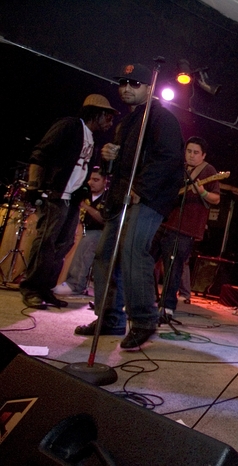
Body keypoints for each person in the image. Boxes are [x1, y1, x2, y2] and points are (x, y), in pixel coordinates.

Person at [74, 63, 184, 350]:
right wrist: (108, 155)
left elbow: (169, 159)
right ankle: (109, 318)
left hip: (147, 198)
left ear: (150, 87)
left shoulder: (162, 119)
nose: (126, 88)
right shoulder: (125, 124)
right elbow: (117, 167)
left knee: (134, 251)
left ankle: (145, 319)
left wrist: (141, 189)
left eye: (134, 84)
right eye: (123, 83)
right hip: (122, 198)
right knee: (104, 254)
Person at [19, 94, 118, 309]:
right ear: (97, 113)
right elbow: (40, 154)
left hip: (71, 200)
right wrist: (34, 186)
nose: (110, 123)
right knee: (46, 243)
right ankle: (32, 288)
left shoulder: (91, 138)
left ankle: (46, 288)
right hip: (56, 194)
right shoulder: (70, 126)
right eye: (108, 117)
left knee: (63, 245)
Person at [151, 136, 220, 319]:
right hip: (163, 222)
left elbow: (216, 198)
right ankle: (145, 299)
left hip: (184, 229)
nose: (191, 155)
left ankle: (167, 308)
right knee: (146, 260)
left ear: (203, 155)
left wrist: (202, 191)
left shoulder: (208, 171)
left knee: (173, 268)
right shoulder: (178, 168)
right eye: (188, 151)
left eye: (196, 152)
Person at [53, 166, 107, 296]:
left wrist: (85, 206)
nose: (90, 183)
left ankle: (75, 284)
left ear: (105, 182)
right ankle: (51, 279)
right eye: (89, 179)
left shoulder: (109, 197)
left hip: (100, 233)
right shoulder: (83, 193)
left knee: (88, 239)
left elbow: (103, 219)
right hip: (80, 229)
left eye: (96, 180)